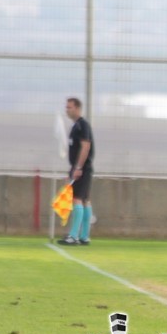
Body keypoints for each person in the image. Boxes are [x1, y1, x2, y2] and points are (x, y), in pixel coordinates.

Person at [57, 97, 95, 246]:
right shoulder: (75, 126)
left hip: (83, 168)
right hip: (79, 168)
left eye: (70, 107)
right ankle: (84, 236)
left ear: (77, 108)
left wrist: (78, 167)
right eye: (66, 107)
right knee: (85, 200)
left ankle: (74, 236)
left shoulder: (82, 125)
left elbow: (86, 146)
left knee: (77, 199)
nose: (67, 110)